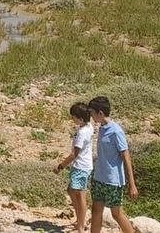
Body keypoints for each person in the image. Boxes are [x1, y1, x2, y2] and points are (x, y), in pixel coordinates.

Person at [87, 96, 137, 233]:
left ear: (100, 113)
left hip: (112, 180)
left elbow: (126, 156)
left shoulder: (116, 131)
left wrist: (132, 184)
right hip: (99, 178)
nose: (91, 116)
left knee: (117, 213)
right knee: (96, 210)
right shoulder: (102, 128)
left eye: (92, 113)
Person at [55, 102, 96, 232]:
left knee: (80, 194)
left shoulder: (83, 132)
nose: (72, 119)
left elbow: (75, 153)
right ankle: (80, 219)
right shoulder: (88, 127)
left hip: (81, 166)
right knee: (71, 190)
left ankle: (80, 224)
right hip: (82, 165)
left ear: (81, 118)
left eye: (74, 117)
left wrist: (61, 166)